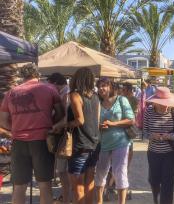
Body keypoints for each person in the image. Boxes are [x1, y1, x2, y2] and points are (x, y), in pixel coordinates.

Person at [0, 63, 64, 204]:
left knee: (19, 187)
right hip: (42, 141)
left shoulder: (11, 93)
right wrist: (50, 123)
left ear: (22, 76)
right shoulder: (50, 89)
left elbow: (3, 121)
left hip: (18, 142)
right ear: (37, 74)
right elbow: (60, 113)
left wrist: (16, 128)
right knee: (45, 186)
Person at [54, 67, 100, 204]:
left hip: (80, 145)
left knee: (78, 185)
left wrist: (64, 125)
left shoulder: (75, 95)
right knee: (90, 183)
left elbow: (80, 120)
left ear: (76, 79)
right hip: (94, 143)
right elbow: (96, 121)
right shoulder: (96, 97)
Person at [95, 77, 135, 204]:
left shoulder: (121, 100)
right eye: (99, 86)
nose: (101, 88)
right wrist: (99, 126)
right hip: (103, 143)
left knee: (120, 172)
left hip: (121, 142)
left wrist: (113, 124)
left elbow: (131, 120)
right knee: (100, 173)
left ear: (111, 87)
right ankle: (99, 201)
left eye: (104, 85)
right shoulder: (97, 102)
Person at [144, 87, 174, 204]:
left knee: (168, 182)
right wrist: (152, 135)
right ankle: (156, 197)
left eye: (166, 104)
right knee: (153, 180)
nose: (165, 106)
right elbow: (144, 133)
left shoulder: (173, 112)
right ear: (155, 102)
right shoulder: (148, 111)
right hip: (153, 152)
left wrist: (169, 136)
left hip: (170, 153)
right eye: (162, 104)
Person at [47, 72, 70, 204]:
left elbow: (65, 118)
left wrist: (55, 126)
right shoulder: (63, 93)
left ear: (55, 83)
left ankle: (65, 199)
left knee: (63, 171)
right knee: (62, 171)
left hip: (64, 137)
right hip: (62, 136)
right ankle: (64, 196)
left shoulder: (66, 95)